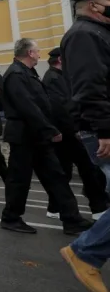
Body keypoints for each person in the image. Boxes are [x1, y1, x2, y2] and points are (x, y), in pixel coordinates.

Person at [0, 37, 91, 235]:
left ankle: (71, 219)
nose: (40, 54)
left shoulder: (28, 73)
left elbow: (40, 104)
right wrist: (49, 130)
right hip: (24, 136)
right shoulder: (15, 74)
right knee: (19, 179)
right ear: (30, 53)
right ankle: (11, 217)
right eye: (37, 51)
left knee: (56, 176)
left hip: (37, 136)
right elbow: (28, 107)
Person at [60, 0, 110, 292]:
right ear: (93, 5)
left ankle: (86, 252)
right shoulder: (83, 36)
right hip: (102, 131)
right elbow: (90, 89)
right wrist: (105, 131)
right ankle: (84, 253)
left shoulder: (97, 33)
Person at [42, 46, 108, 219]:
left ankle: (57, 208)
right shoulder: (52, 79)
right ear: (60, 60)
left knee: (71, 172)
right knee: (84, 170)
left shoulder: (61, 77)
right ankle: (97, 208)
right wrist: (76, 128)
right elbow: (61, 109)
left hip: (69, 133)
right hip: (67, 134)